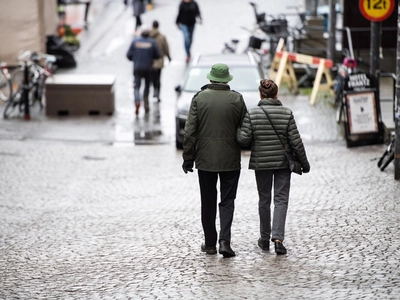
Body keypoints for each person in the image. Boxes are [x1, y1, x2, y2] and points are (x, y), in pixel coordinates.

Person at [237, 79, 310, 255]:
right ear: (277, 94)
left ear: (260, 95)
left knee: (264, 200)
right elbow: (296, 142)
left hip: (261, 163)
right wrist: (305, 164)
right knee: (281, 199)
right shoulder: (286, 113)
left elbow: (243, 140)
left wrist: (239, 129)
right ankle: (278, 239)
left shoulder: (253, 113)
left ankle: (264, 239)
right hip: (283, 163)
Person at [182, 63, 247, 258]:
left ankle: (210, 243)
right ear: (227, 80)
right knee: (227, 201)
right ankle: (225, 242)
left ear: (210, 79)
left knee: (208, 201)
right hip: (230, 159)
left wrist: (188, 158)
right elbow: (245, 129)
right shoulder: (237, 99)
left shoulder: (199, 98)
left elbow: (190, 131)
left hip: (206, 160)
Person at [126, 25, 160, 116]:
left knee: (136, 86)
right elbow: (158, 55)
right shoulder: (152, 42)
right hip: (148, 68)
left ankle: (137, 101)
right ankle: (145, 102)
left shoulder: (135, 41)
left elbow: (128, 55)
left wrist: (135, 59)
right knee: (147, 86)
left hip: (137, 67)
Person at [149, 20, 171, 103]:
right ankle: (157, 93)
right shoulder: (162, 37)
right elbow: (166, 48)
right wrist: (169, 58)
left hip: (149, 61)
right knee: (158, 78)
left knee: (151, 78)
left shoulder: (147, 36)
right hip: (159, 61)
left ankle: (153, 91)